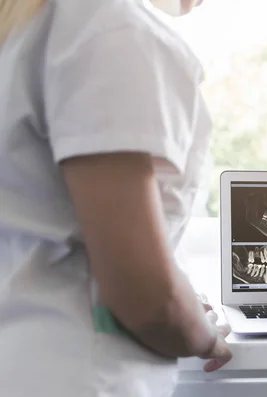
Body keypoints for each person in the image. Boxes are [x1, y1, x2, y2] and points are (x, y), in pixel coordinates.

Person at [0, 0, 232, 396]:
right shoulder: (110, 30)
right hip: (75, 374)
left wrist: (180, 297)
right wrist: (205, 335)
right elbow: (146, 299)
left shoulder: (29, 24)